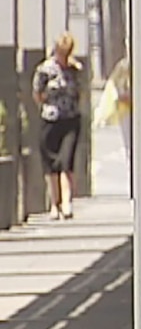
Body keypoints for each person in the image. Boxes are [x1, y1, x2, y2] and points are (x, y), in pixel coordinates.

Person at [32, 31, 84, 220]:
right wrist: (47, 103)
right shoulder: (45, 70)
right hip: (50, 119)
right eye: (62, 51)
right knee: (51, 164)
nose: (64, 55)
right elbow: (37, 93)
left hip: (70, 119)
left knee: (66, 161)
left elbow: (80, 91)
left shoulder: (74, 68)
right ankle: (55, 204)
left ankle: (67, 202)